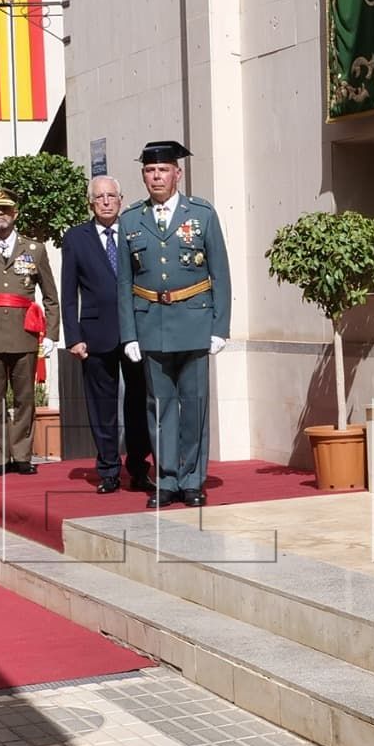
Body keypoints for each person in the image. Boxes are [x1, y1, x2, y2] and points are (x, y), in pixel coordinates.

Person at [116, 140, 231, 508]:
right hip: (151, 325)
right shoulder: (130, 219)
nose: (157, 177)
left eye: (163, 170)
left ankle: (192, 480)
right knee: (160, 407)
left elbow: (220, 273)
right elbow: (124, 283)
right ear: (143, 176)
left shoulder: (202, 214)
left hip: (195, 322)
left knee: (194, 406)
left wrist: (220, 327)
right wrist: (129, 334)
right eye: (150, 171)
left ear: (177, 174)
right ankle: (166, 480)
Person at [59, 174, 153, 494]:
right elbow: (68, 292)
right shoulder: (76, 238)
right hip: (95, 334)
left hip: (135, 332)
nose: (106, 202)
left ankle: (139, 468)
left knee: (138, 403)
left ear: (121, 200)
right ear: (91, 203)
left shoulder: (135, 231)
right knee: (102, 406)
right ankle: (109, 470)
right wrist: (73, 336)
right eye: (99, 197)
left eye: (111, 196)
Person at [0, 192, 58, 477]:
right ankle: (0, 457)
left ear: (15, 213)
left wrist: (51, 334)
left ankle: (23, 455)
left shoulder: (35, 249)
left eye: (4, 209)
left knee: (25, 398)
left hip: (24, 333)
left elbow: (50, 296)